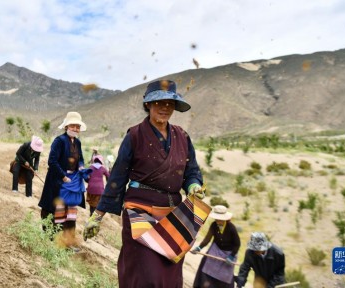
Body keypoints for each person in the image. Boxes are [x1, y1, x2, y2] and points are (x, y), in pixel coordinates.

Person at [83, 80, 206, 287]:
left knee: (169, 276)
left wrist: (193, 186)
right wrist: (98, 215)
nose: (165, 108)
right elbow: (117, 178)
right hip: (139, 210)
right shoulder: (135, 135)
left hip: (172, 216)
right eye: (159, 102)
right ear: (148, 105)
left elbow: (191, 172)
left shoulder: (183, 137)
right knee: (146, 274)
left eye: (169, 103)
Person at [38, 111, 87, 249]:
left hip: (73, 182)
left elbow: (81, 159)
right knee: (55, 210)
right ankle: (53, 241)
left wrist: (82, 167)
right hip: (58, 181)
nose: (75, 129)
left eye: (78, 127)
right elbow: (52, 161)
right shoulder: (59, 141)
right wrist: (63, 176)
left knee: (70, 212)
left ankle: (68, 242)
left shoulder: (77, 142)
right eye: (73, 126)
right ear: (66, 126)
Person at [191, 205, 240, 288]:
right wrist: (199, 248)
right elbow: (208, 238)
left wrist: (232, 256)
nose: (217, 220)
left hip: (229, 252)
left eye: (220, 219)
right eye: (216, 218)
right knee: (206, 263)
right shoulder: (214, 225)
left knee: (225, 275)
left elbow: (237, 244)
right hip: (216, 249)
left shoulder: (231, 228)